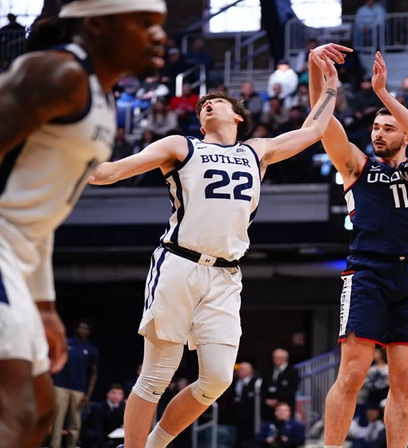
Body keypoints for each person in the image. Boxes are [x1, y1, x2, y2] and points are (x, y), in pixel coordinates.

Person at [88, 50, 341, 448]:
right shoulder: (180, 145)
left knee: (219, 378)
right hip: (179, 264)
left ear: (237, 116)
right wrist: (67, 158)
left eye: (217, 101)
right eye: (203, 103)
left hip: (226, 274)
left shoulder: (257, 151)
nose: (207, 104)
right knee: (156, 377)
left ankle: (155, 444)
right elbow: (110, 172)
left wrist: (328, 85)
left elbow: (312, 131)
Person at [0, 2, 167, 447]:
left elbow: (37, 212)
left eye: (161, 25)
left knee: (38, 412)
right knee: (17, 410)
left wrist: (44, 304)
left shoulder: (101, 95)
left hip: (18, 255)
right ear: (98, 23)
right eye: (144, 23)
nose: (159, 35)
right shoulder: (57, 74)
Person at [307, 46, 408, 448]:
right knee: (352, 373)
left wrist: (384, 95)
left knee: (405, 380)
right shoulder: (356, 166)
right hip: (366, 271)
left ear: (401, 134)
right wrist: (317, 70)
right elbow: (320, 118)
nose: (379, 133)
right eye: (375, 129)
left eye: (387, 128)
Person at [50, 320, 100, 448]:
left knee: (75, 422)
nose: (83, 331)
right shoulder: (66, 343)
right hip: (60, 386)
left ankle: (71, 446)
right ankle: (54, 446)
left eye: (86, 329)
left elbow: (93, 373)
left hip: (78, 389)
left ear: (89, 332)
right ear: (76, 329)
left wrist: (88, 394)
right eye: (81, 328)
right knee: (57, 420)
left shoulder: (91, 350)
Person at [262, 348, 300, 420]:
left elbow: (292, 388)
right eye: (275, 357)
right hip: (268, 407)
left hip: (286, 404)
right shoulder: (268, 370)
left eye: (279, 358)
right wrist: (266, 400)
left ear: (285, 359)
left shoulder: (292, 371)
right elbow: (263, 386)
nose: (276, 360)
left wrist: (278, 400)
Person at [84, 384, 126, 448]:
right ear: (108, 394)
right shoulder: (98, 407)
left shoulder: (123, 408)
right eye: (114, 393)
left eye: (120, 394)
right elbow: (97, 427)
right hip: (99, 437)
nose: (117, 396)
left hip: (115, 438)